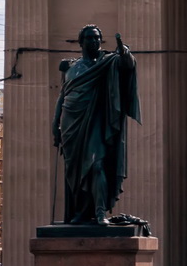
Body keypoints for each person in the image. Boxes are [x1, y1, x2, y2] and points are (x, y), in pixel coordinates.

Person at [52, 25, 141, 225]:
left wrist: (125, 52)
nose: (94, 42)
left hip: (95, 122)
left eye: (97, 38)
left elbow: (127, 65)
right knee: (75, 173)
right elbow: (62, 97)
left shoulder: (107, 62)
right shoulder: (71, 67)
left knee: (97, 165)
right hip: (70, 125)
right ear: (81, 42)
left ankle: (100, 212)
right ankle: (82, 212)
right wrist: (55, 126)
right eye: (90, 38)